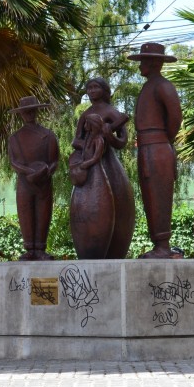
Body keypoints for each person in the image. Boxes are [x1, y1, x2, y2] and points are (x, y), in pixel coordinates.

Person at [129, 42, 183, 259]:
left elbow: (175, 117)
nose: (140, 65)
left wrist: (163, 140)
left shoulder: (163, 86)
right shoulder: (149, 86)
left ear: (153, 63)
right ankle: (158, 244)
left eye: (143, 61)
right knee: (150, 196)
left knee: (159, 195)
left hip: (157, 147)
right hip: (147, 147)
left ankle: (163, 245)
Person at [72, 78, 135, 259]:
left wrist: (109, 136)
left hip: (109, 164)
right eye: (89, 88)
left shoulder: (111, 112)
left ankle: (116, 250)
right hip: (90, 165)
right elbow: (76, 140)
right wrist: (89, 143)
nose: (92, 91)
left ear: (104, 90)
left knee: (118, 201)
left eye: (96, 87)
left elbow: (122, 141)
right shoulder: (86, 114)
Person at [7, 96, 59, 261]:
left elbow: (54, 161)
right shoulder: (15, 138)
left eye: (31, 111)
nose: (29, 114)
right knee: (25, 213)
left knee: (43, 213)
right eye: (26, 112)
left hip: (44, 183)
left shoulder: (48, 135)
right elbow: (14, 162)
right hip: (25, 183)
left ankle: (40, 248)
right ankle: (29, 248)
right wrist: (29, 171)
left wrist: (45, 171)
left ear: (37, 112)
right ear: (21, 114)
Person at [68, 113, 115, 259]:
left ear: (92, 124)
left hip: (96, 174)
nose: (84, 126)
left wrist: (84, 165)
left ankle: (97, 250)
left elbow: (96, 157)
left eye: (87, 123)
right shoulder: (88, 139)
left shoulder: (99, 139)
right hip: (85, 176)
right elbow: (77, 146)